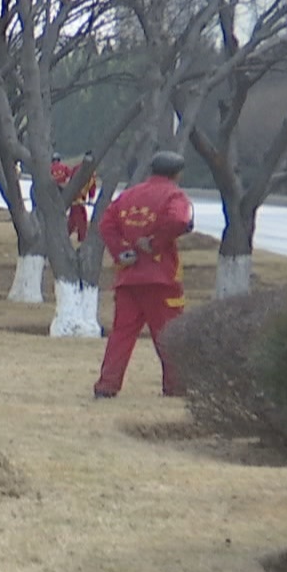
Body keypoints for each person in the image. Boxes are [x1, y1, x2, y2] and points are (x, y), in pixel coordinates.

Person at [94, 151, 195, 399]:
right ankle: (176, 386)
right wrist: (156, 242)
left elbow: (106, 224)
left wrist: (122, 251)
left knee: (122, 333)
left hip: (129, 277)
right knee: (170, 334)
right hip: (161, 279)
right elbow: (180, 219)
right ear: (178, 173)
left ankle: (107, 386)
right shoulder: (174, 195)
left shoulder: (128, 195)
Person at [50, 153, 97, 243]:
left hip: (67, 195)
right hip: (75, 198)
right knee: (80, 218)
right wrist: (91, 198)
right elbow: (91, 186)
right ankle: (82, 237)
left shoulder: (79, 168)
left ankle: (65, 235)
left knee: (74, 219)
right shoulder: (73, 168)